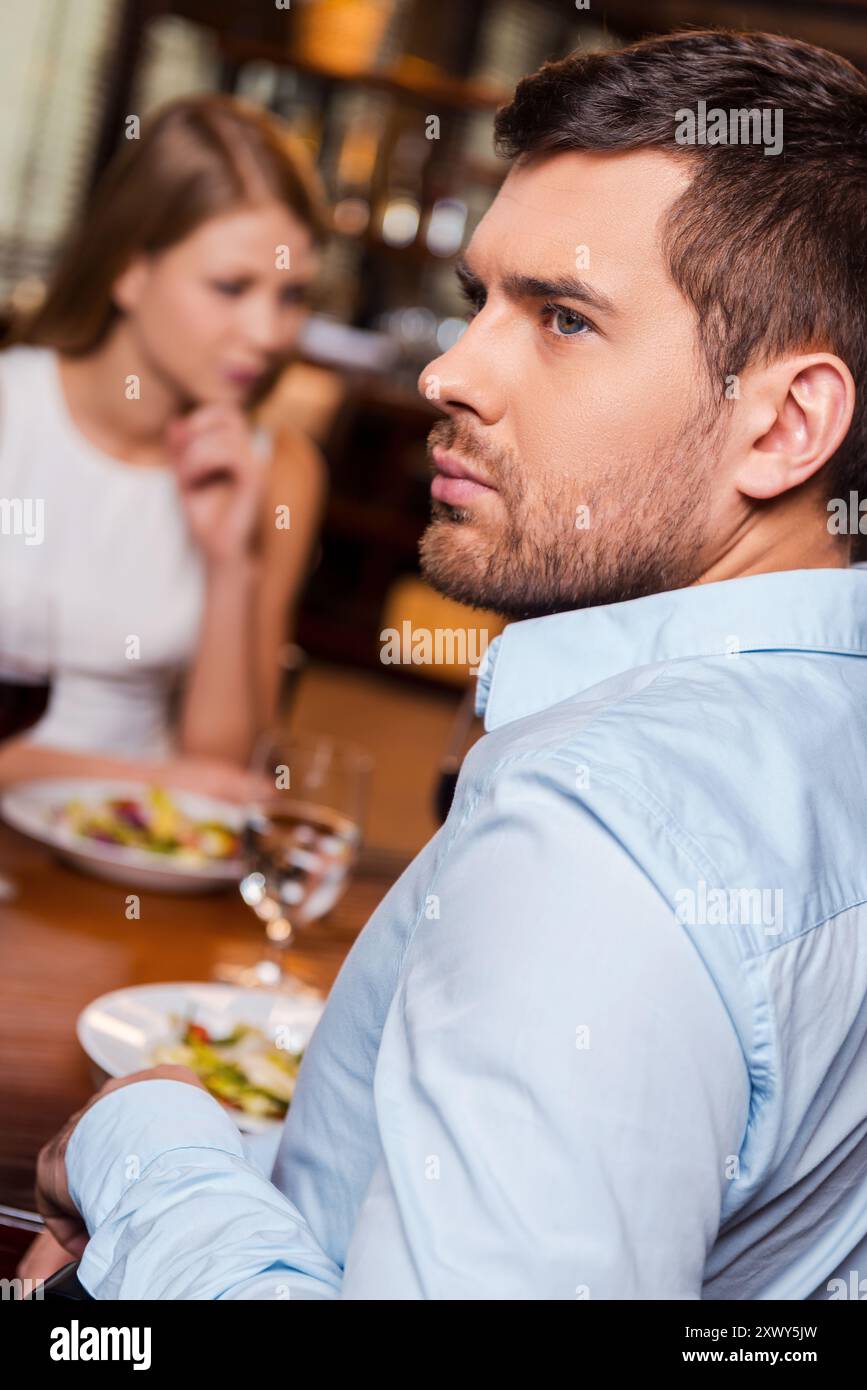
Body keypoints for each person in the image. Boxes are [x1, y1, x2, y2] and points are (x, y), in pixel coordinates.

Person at [26, 30, 867, 1298]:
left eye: (566, 318)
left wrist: (150, 1138)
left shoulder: (595, 846)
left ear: (788, 422)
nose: (446, 369)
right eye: (483, 300)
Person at [0, 95, 329, 802]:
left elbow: (226, 770)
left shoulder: (281, 471)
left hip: (132, 856)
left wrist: (228, 560)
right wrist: (146, 777)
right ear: (130, 270)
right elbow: (192, 781)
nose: (268, 331)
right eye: (232, 286)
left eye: (291, 294)